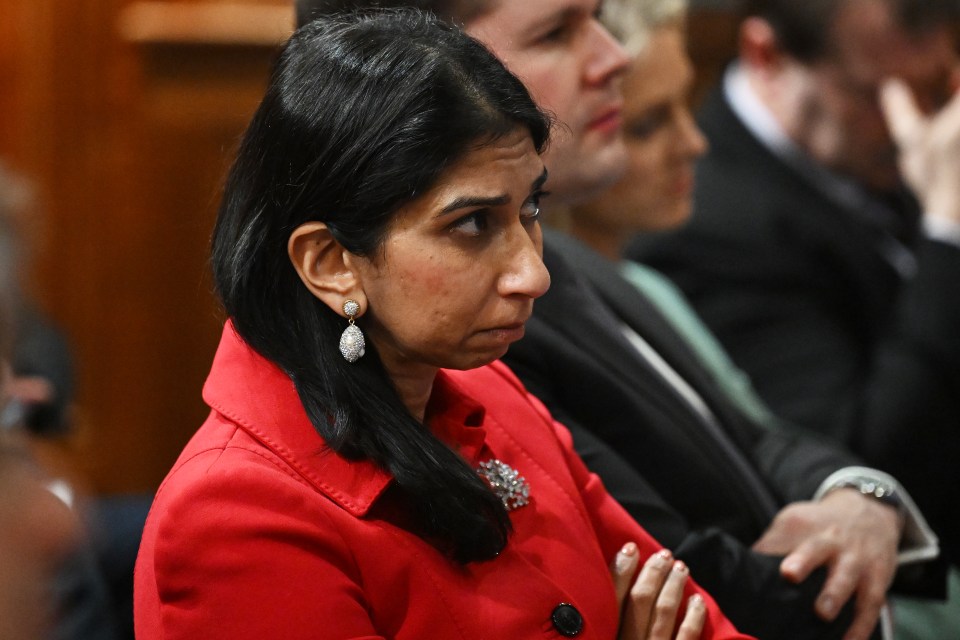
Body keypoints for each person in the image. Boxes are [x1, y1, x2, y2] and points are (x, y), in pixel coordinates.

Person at [297, 1, 940, 639]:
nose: (615, 56)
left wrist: (857, 494)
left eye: (529, 211)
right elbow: (683, 576)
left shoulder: (568, 259)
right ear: (416, 64)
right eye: (557, 32)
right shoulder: (465, 336)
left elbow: (759, 435)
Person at [133, 10, 751, 639]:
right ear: (331, 264)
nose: (532, 274)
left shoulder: (493, 393)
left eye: (529, 208)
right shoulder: (233, 517)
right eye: (473, 224)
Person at [627, 0, 960, 569]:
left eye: (937, 85)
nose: (923, 121)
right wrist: (949, 226)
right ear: (767, 54)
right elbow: (869, 458)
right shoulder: (703, 223)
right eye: (882, 93)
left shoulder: (868, 141)